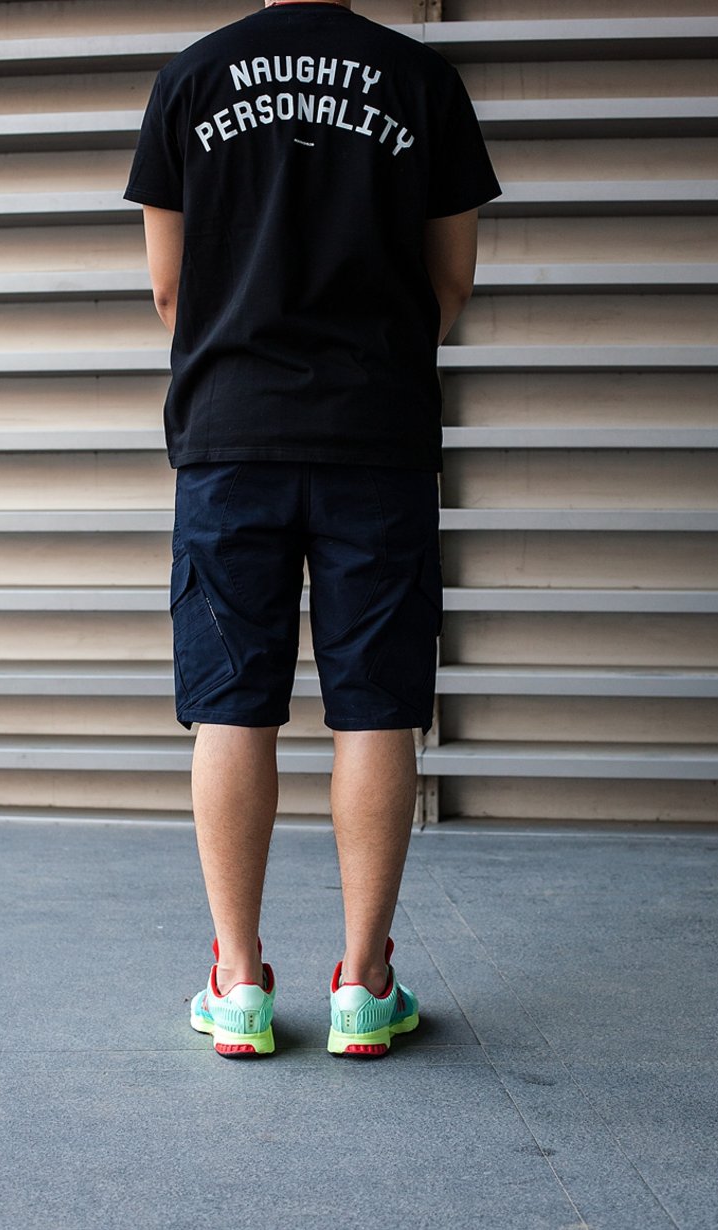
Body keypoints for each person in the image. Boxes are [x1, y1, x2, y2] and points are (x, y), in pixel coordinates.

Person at [123, 0, 502, 1059]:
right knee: (375, 703)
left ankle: (239, 984)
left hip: (230, 435)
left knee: (231, 703)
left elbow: (169, 288)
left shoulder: (190, 79)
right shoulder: (421, 81)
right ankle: (364, 986)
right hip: (375, 436)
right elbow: (453, 281)